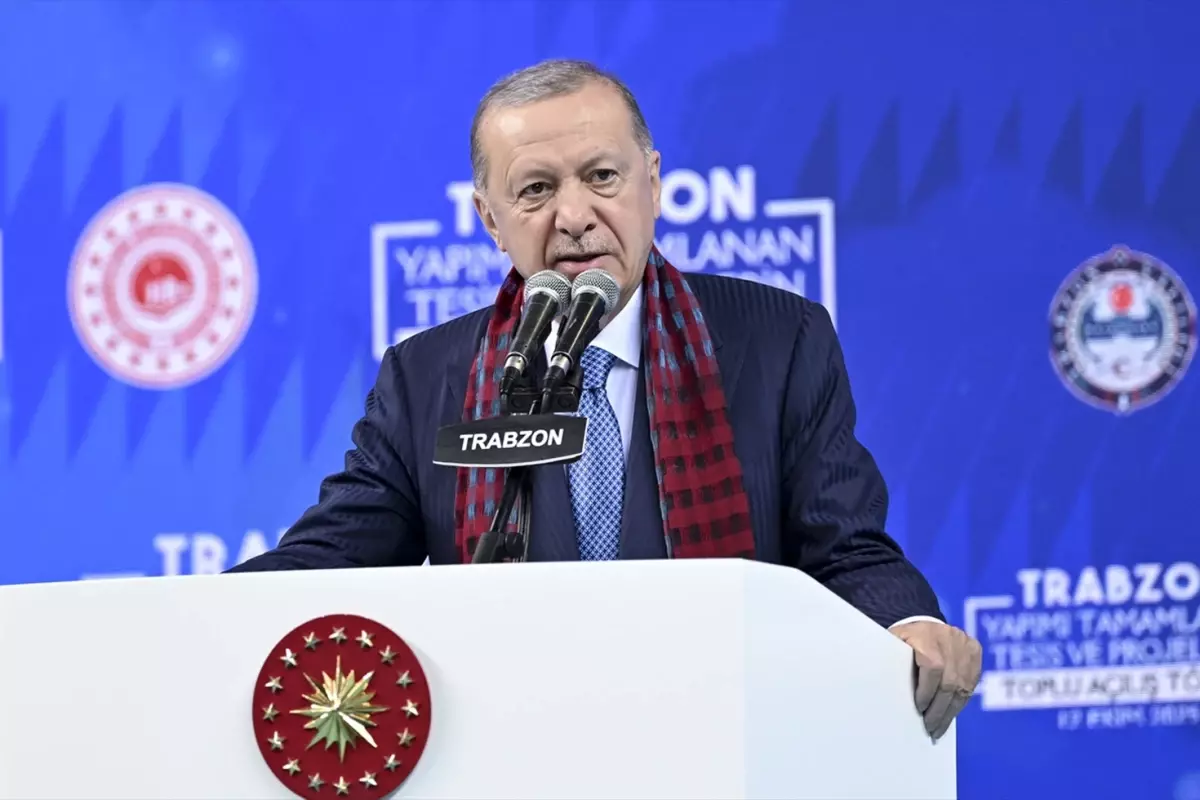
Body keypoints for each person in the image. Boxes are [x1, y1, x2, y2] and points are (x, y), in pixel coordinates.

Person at [229, 58, 982, 740]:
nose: (574, 215)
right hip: (516, 743)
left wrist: (908, 621)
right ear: (490, 219)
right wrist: (193, 618)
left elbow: (844, 544)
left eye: (602, 176)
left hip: (726, 734)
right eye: (536, 189)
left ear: (652, 183)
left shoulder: (778, 339)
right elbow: (336, 557)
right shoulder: (427, 376)